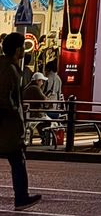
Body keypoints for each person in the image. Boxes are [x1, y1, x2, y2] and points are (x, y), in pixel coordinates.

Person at [0, 33, 40, 208]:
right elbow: (5, 97)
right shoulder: (10, 69)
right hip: (8, 126)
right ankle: (21, 198)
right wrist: (15, 113)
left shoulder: (6, 66)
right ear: (17, 50)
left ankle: (22, 197)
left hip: (6, 125)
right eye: (23, 46)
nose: (25, 49)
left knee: (17, 160)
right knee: (18, 160)